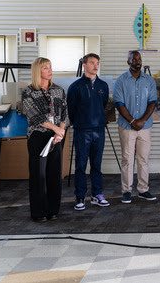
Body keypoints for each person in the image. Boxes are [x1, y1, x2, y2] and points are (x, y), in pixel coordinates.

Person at [22, 57, 68, 222]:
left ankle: (53, 211)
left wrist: (60, 130)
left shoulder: (59, 90)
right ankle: (39, 212)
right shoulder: (29, 92)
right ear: (37, 71)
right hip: (38, 136)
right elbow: (34, 116)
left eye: (50, 67)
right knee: (38, 175)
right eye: (45, 68)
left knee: (55, 174)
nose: (50, 70)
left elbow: (65, 113)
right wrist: (56, 129)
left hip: (57, 137)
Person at [113, 50, 157, 204]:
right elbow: (119, 104)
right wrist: (133, 122)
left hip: (145, 127)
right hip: (126, 127)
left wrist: (142, 121)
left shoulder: (149, 81)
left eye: (139, 58)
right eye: (134, 59)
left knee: (143, 159)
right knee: (127, 159)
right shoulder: (121, 81)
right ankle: (126, 191)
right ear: (128, 62)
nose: (138, 61)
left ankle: (143, 190)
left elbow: (153, 102)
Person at [67, 53, 110, 211]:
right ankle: (80, 196)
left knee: (97, 165)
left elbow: (103, 103)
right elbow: (71, 110)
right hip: (82, 130)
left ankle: (96, 194)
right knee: (81, 165)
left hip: (99, 129)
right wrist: (79, 122)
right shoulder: (76, 87)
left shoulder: (103, 86)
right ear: (84, 65)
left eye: (97, 63)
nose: (95, 66)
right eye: (92, 63)